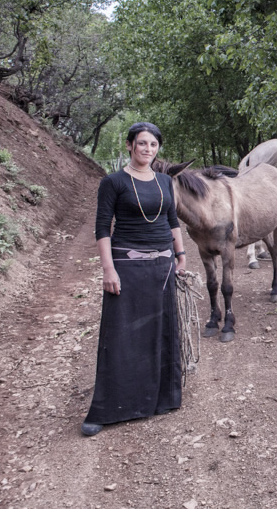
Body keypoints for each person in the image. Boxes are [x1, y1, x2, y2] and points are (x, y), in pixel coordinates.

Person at [82, 122, 187, 436]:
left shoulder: (165, 182)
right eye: (142, 144)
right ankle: (108, 409)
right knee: (121, 337)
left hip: (163, 266)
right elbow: (103, 227)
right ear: (129, 145)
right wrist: (108, 268)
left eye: (153, 145)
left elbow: (172, 220)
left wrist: (180, 256)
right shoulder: (113, 182)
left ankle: (161, 400)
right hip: (127, 265)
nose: (148, 150)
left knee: (161, 331)